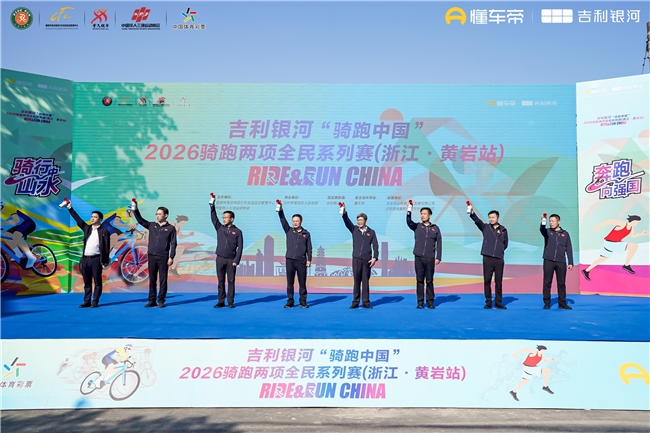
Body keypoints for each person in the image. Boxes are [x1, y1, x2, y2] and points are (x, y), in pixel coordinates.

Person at [132, 202, 177, 308]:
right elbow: (140, 220)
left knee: (163, 280)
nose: (157, 216)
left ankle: (161, 300)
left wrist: (171, 257)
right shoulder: (152, 225)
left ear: (166, 215)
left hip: (163, 257)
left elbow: (173, 243)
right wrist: (135, 209)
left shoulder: (171, 228)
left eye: (160, 214)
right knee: (152, 280)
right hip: (152, 256)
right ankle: (152, 300)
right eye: (156, 214)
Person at [66, 201, 110, 308]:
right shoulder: (87, 228)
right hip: (85, 259)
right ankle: (87, 301)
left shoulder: (104, 231)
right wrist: (70, 208)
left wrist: (105, 261)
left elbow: (106, 247)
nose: (92, 218)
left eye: (95, 217)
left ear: (100, 219)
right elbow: (78, 220)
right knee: (87, 282)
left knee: (97, 282)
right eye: (92, 217)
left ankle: (95, 301)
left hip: (96, 260)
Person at [582, 215, 648, 281]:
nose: (636, 224)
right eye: (636, 222)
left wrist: (642, 233)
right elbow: (610, 221)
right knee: (634, 247)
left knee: (601, 259)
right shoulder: (623, 224)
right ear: (632, 221)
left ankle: (586, 270)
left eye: (637, 223)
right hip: (612, 243)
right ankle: (626, 265)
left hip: (608, 244)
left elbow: (633, 235)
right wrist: (598, 226)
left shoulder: (631, 228)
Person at [469, 205, 508, 309]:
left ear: (498, 218)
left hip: (499, 259)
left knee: (498, 282)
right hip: (488, 258)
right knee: (487, 281)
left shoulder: (503, 230)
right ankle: (488, 302)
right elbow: (477, 221)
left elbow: (505, 244)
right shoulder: (485, 227)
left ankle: (498, 302)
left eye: (493, 217)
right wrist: (472, 213)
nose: (491, 219)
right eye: (490, 217)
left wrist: (498, 251)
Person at [341, 205, 379, 309]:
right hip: (356, 259)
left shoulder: (371, 232)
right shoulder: (354, 229)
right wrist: (344, 212)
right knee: (356, 281)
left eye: (361, 220)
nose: (359, 222)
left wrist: (375, 257)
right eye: (358, 220)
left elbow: (375, 245)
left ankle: (366, 302)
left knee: (365, 282)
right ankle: (355, 301)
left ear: (366, 221)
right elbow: (346, 221)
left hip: (367, 260)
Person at [209, 195, 243, 308]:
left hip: (231, 260)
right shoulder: (220, 228)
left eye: (226, 217)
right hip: (220, 258)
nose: (224, 219)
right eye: (223, 217)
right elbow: (214, 218)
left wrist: (236, 260)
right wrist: (212, 205)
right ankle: (221, 301)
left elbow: (240, 247)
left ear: (232, 219)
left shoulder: (237, 231)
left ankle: (230, 302)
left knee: (231, 281)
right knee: (221, 281)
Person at [277, 202, 312, 308]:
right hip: (290, 260)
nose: (295, 223)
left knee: (302, 283)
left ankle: (303, 301)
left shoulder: (306, 234)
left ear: (301, 221)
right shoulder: (288, 231)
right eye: (293, 221)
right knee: (290, 283)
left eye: (297, 221)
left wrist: (309, 259)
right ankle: (290, 301)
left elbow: (309, 248)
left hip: (301, 261)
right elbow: (282, 220)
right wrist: (280, 210)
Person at [407, 206, 442, 309]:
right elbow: (409, 222)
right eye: (421, 214)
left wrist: (438, 257)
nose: (422, 215)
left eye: (425, 214)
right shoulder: (417, 226)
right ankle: (420, 302)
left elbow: (439, 243)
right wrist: (409, 211)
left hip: (430, 258)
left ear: (429, 215)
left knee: (429, 281)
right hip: (418, 257)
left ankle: (430, 302)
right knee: (420, 280)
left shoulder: (435, 228)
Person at [540, 213, 574, 310]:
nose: (551, 223)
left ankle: (562, 303)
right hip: (548, 260)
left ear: (558, 222)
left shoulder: (565, 234)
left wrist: (570, 262)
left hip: (561, 261)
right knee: (547, 282)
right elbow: (542, 229)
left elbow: (569, 248)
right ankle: (547, 302)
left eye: (553, 221)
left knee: (561, 283)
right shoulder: (547, 232)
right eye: (550, 221)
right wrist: (543, 220)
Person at [1, 203, 37, 269]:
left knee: (16, 236)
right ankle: (18, 253)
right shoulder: (2, 213)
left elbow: (16, 220)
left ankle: (31, 257)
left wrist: (1, 223)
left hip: (28, 223)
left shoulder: (8, 207)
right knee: (6, 235)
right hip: (20, 225)